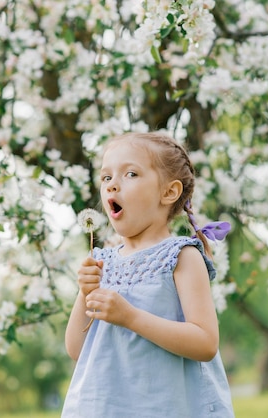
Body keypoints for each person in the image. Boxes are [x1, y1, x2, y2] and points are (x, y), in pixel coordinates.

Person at [62, 132, 235, 417]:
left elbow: (205, 343)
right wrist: (84, 294)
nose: (112, 185)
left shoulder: (182, 256)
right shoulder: (101, 261)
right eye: (106, 178)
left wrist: (130, 317)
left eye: (130, 174)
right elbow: (78, 350)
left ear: (168, 192)